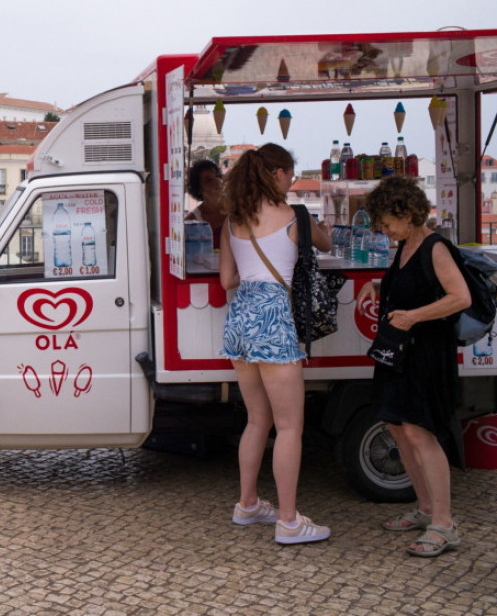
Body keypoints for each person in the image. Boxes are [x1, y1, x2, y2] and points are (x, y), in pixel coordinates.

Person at [218, 144, 332, 545]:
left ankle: (248, 504)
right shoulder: (294, 216)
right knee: (289, 427)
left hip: (241, 318)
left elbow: (226, 281)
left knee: (256, 419)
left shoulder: (231, 221)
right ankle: (288, 521)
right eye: (290, 174)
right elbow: (326, 245)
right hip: (273, 319)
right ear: (279, 174)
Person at [357, 176, 470, 558]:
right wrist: (376, 284)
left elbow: (460, 297)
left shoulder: (436, 247)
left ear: (407, 214)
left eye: (387, 222)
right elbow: (411, 284)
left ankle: (444, 524)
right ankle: (424, 509)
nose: (383, 230)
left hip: (425, 353)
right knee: (397, 428)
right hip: (399, 352)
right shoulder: (406, 244)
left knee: (422, 434)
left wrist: (415, 317)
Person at [186, 159, 226, 249]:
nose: (217, 181)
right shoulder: (192, 221)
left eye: (217, 176)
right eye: (209, 180)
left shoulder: (235, 211)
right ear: (199, 189)